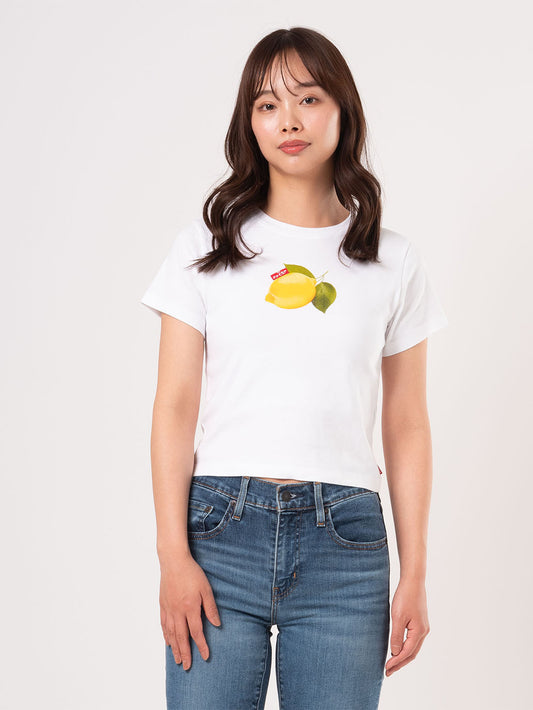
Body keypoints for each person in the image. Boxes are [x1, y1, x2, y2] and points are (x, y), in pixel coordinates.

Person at [140, 27, 448, 710]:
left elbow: (406, 423)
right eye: (266, 104)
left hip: (346, 544)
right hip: (218, 535)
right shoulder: (205, 248)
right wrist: (172, 556)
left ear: (342, 109)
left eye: (307, 99)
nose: (288, 121)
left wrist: (415, 571)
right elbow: (174, 407)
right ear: (248, 122)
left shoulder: (392, 261)